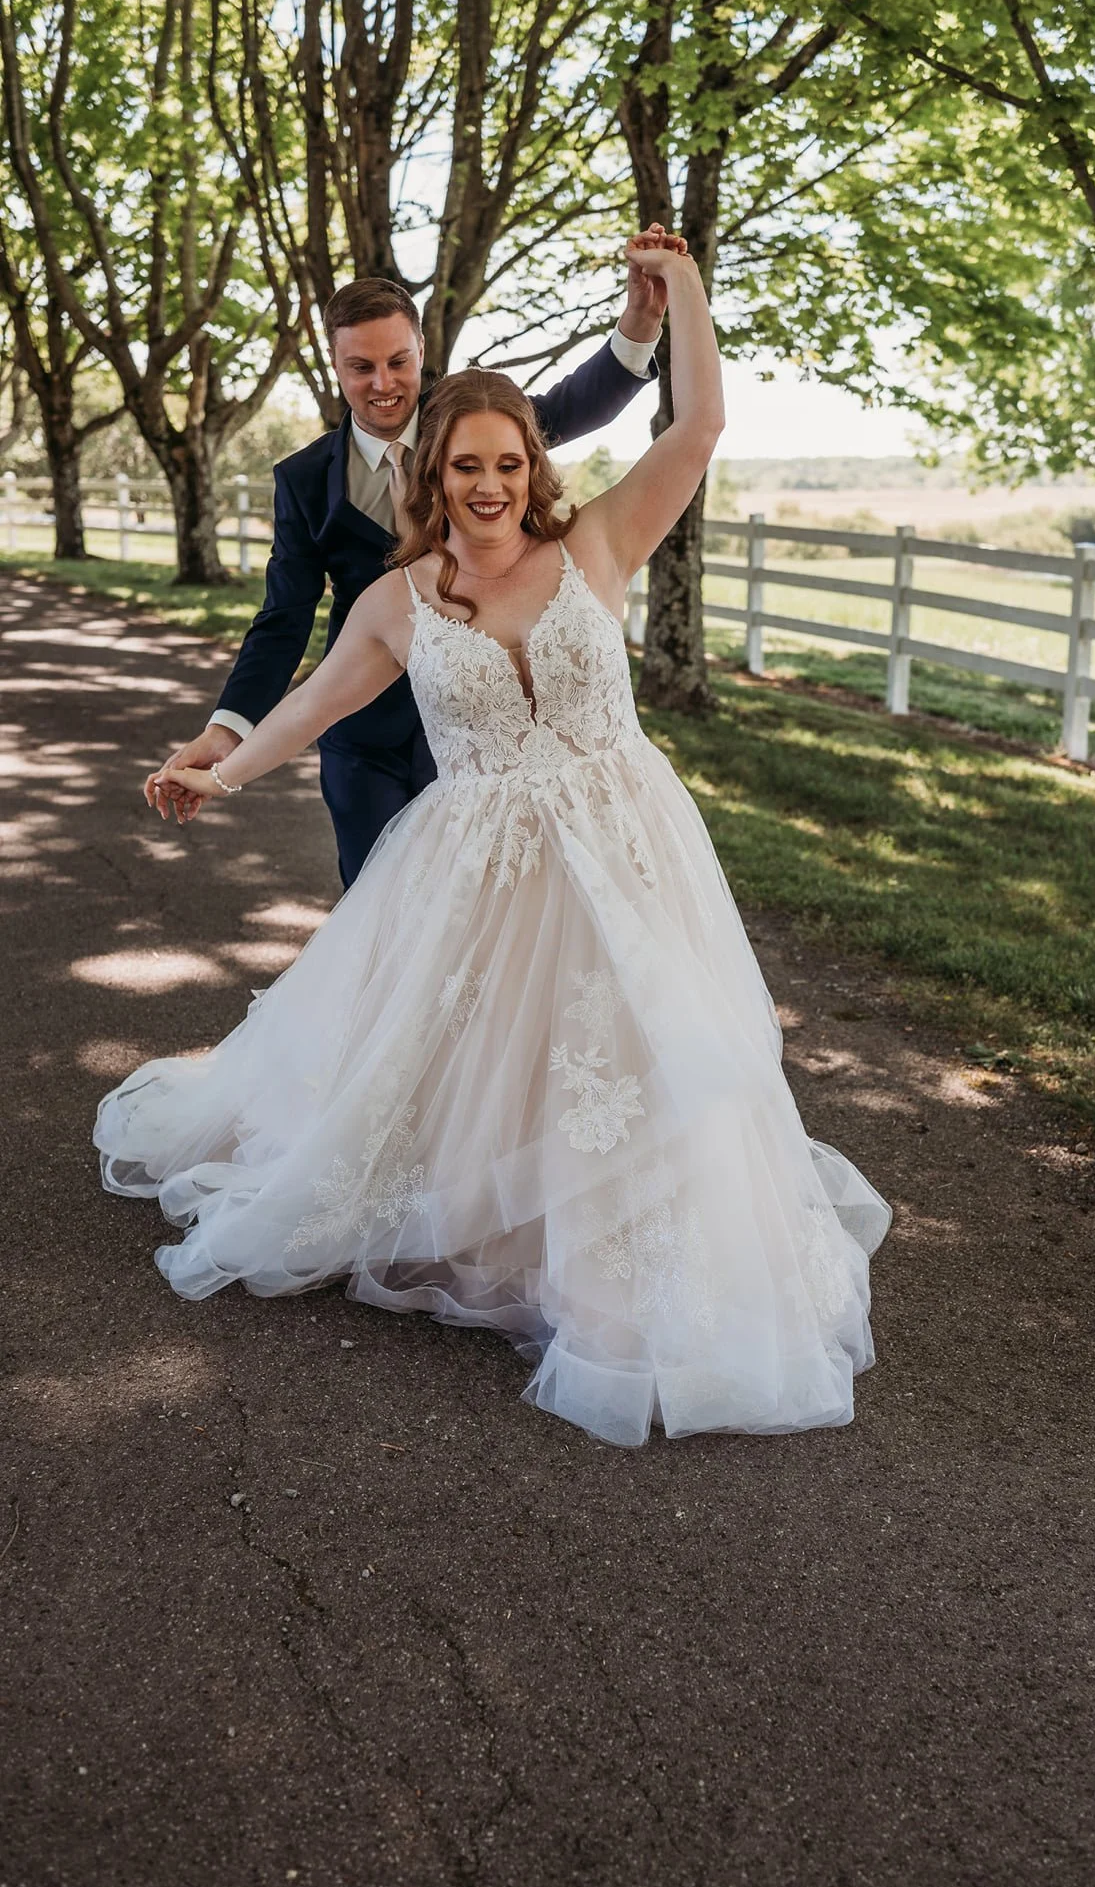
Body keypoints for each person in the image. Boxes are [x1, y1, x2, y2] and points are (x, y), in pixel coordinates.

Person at [96, 237, 890, 1447]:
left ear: (534, 467)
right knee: (488, 1048)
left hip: (627, 849)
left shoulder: (596, 547)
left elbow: (697, 429)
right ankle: (493, 1218)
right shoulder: (396, 602)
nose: (488, 483)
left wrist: (679, 295)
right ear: (432, 474)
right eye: (465, 464)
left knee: (642, 1049)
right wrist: (215, 766)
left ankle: (637, 1247)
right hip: (482, 864)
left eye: (508, 462)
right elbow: (309, 703)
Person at [148, 236, 670, 888]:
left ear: (422, 353)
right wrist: (228, 732)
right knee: (381, 914)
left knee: (485, 910)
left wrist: (641, 323)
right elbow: (283, 617)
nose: (382, 384)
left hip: (478, 726)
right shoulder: (304, 480)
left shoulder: (473, 430)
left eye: (398, 362)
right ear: (335, 365)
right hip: (360, 734)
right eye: (360, 367)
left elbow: (573, 402)